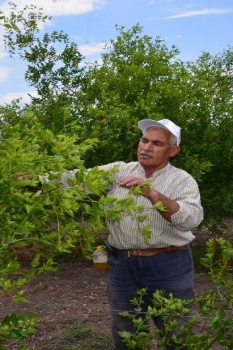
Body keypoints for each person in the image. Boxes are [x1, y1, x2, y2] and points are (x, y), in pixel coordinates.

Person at [91, 119, 204, 349]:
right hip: (123, 265)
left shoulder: (182, 180)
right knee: (126, 333)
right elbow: (79, 179)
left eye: (156, 143)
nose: (146, 147)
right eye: (144, 140)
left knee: (176, 333)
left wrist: (151, 193)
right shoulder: (119, 171)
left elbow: (191, 219)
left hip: (168, 265)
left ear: (173, 151)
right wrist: (40, 181)